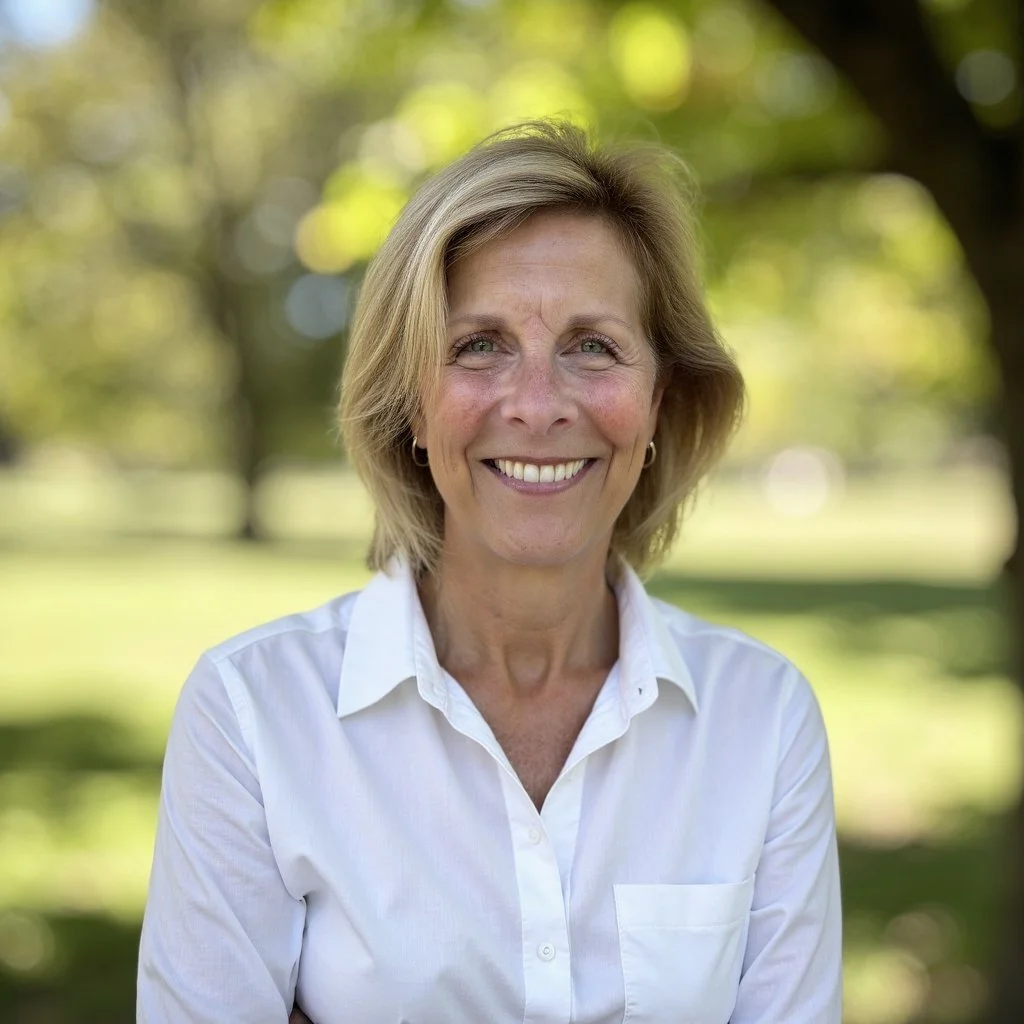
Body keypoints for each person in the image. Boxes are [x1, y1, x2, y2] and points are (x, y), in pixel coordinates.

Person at [137, 120, 841, 1023]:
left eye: (594, 345)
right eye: (479, 345)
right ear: (413, 408)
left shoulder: (764, 719)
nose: (540, 405)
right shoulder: (253, 714)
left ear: (658, 397)